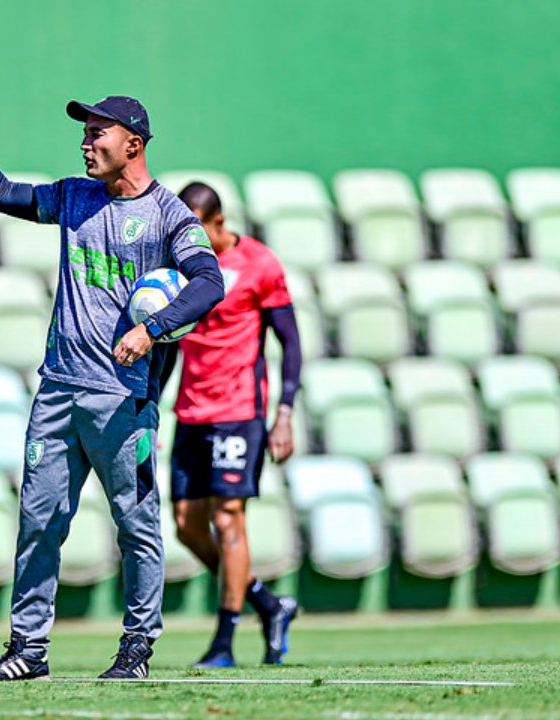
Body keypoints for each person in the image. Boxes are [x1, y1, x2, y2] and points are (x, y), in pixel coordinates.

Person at [0, 95, 225, 680]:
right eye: (86, 132)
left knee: (136, 526)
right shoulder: (75, 196)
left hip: (123, 400)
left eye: (97, 133)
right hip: (58, 392)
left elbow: (208, 282)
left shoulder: (170, 215)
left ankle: (137, 649)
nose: (85, 142)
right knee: (38, 521)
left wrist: (152, 328)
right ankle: (27, 650)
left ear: (133, 145)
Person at [169, 182, 302, 668]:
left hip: (238, 411)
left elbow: (291, 343)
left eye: (196, 230)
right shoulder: (177, 267)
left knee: (228, 517)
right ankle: (267, 603)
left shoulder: (259, 265)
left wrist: (284, 413)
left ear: (219, 222)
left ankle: (224, 642)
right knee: (186, 525)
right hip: (190, 410)